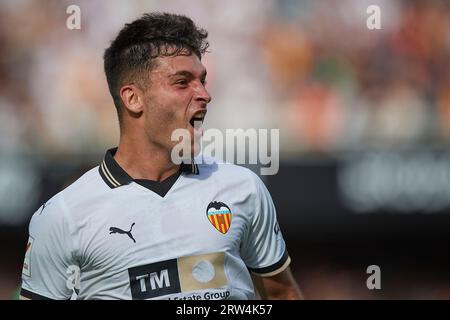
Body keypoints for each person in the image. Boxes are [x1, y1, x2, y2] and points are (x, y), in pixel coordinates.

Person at [20, 12, 302, 300]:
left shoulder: (242, 188)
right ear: (133, 98)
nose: (204, 94)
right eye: (182, 82)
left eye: (202, 81)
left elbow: (282, 294)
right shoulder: (63, 216)